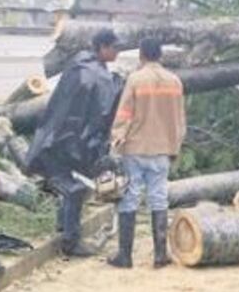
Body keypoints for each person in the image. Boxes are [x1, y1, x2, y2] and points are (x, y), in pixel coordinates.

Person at [26, 28, 122, 257]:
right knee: (75, 189)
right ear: (102, 47)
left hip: (59, 137)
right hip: (72, 141)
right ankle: (70, 241)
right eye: (114, 48)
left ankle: (64, 227)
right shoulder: (93, 73)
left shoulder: (79, 65)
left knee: (70, 186)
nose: (117, 52)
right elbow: (98, 112)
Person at [108, 38, 186, 269]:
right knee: (159, 197)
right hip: (162, 148)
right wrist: (175, 146)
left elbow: (124, 114)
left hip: (135, 147)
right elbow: (179, 119)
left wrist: (116, 139)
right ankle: (160, 255)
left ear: (141, 55)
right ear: (160, 55)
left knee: (130, 197)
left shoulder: (135, 79)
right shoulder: (175, 81)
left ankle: (125, 255)